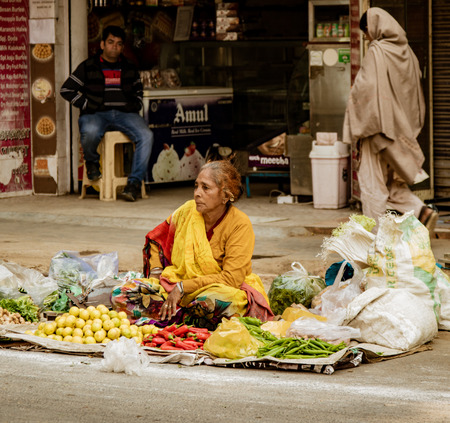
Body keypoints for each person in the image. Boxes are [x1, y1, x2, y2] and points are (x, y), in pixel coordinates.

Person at [111, 160, 274, 329]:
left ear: (226, 195)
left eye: (205, 187)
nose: (197, 193)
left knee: (217, 301)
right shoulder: (187, 211)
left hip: (215, 291)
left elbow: (231, 278)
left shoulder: (239, 224)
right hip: (173, 287)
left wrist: (183, 287)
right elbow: (156, 241)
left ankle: (173, 317)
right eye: (196, 186)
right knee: (121, 294)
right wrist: (156, 277)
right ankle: (182, 317)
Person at [343, 8, 438, 235]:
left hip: (377, 130)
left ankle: (375, 239)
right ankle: (422, 212)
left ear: (373, 27)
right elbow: (415, 97)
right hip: (401, 134)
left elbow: (366, 92)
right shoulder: (409, 54)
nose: (366, 36)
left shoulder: (377, 52)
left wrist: (353, 103)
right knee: (394, 186)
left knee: (372, 186)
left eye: (365, 31)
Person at [60, 25, 153, 202]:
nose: (114, 47)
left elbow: (138, 90)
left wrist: (136, 104)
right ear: (102, 44)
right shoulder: (88, 66)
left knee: (146, 135)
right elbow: (66, 90)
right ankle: (92, 162)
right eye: (110, 42)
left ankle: (133, 184)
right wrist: (87, 104)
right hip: (96, 114)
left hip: (125, 114)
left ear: (122, 47)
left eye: (118, 44)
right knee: (91, 131)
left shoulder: (129, 67)